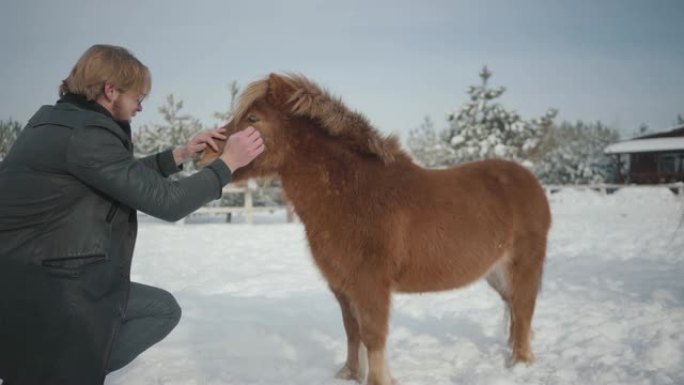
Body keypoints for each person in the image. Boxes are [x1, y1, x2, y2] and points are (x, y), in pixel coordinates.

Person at [0, 44, 264, 385]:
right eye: (138, 97)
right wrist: (228, 164)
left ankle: (57, 368)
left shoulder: (60, 124)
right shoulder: (87, 135)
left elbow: (116, 175)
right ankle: (59, 371)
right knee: (158, 312)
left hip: (28, 275)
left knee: (160, 309)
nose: (141, 107)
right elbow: (168, 202)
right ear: (110, 90)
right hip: (50, 287)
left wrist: (179, 154)